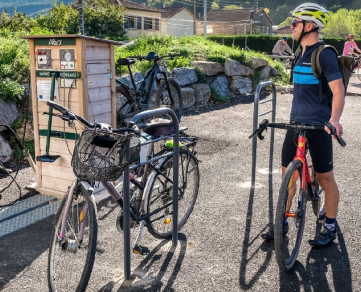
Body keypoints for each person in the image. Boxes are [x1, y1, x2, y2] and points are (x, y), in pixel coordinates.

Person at [262, 3, 345, 248]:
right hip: (295, 124)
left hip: (319, 126)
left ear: (310, 26)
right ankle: (282, 221)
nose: (291, 27)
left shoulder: (324, 54)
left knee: (326, 179)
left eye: (295, 23)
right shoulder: (299, 52)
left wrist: (335, 120)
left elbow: (338, 91)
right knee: (288, 175)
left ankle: (329, 225)